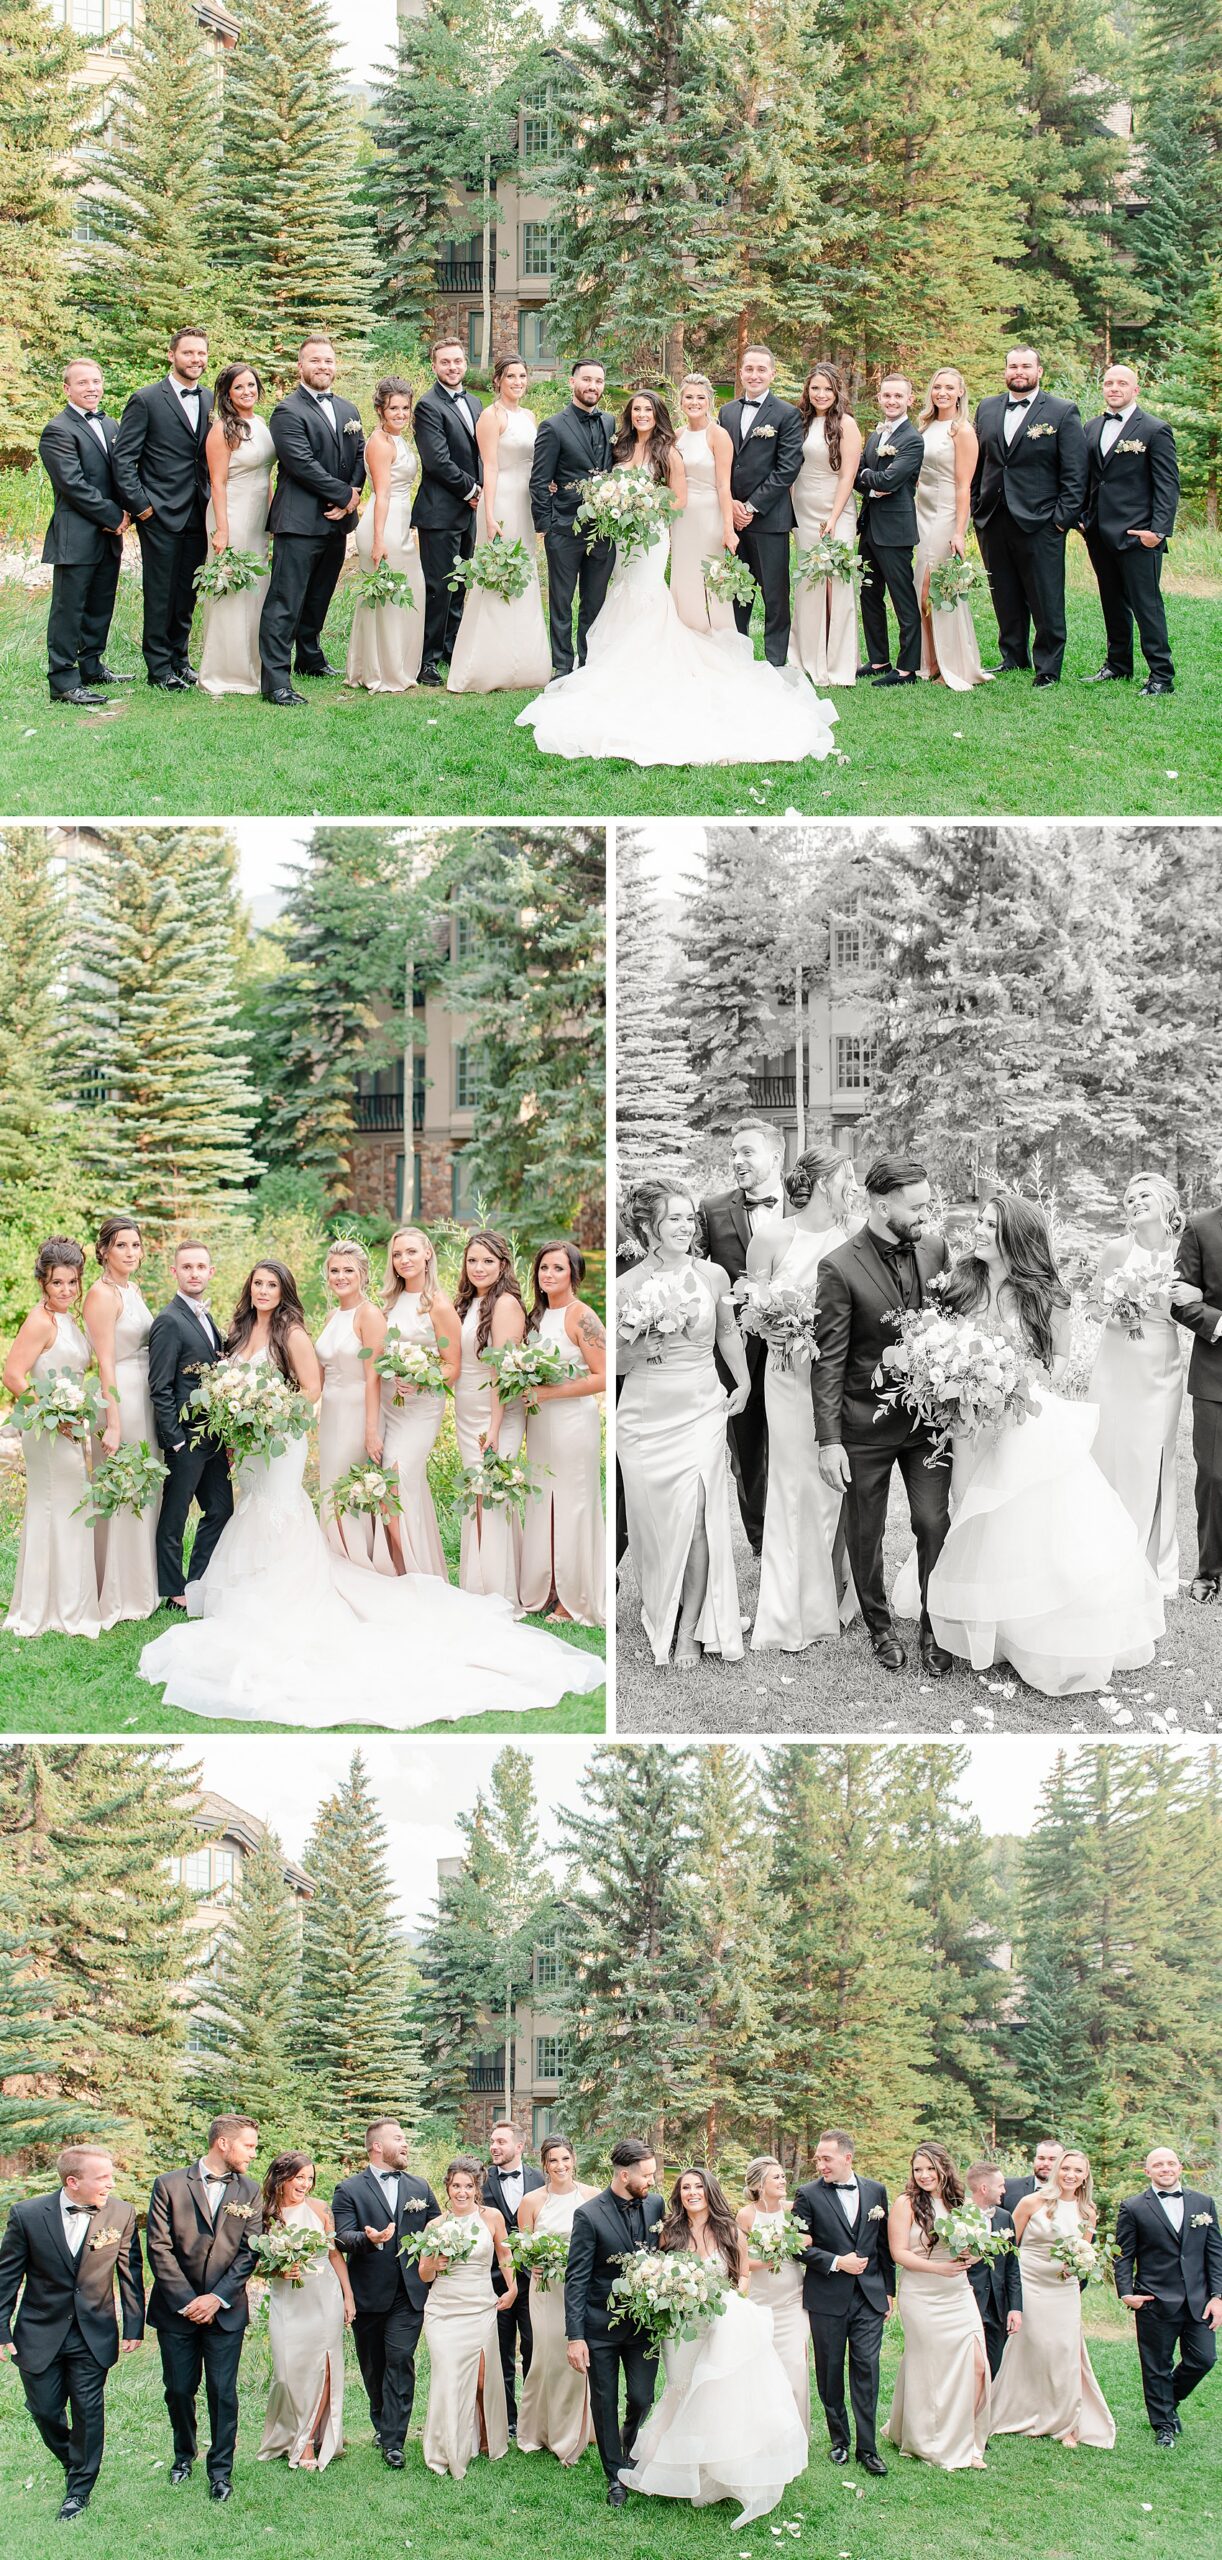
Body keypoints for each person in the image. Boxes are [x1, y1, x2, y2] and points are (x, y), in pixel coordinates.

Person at [136, 1257, 606, 1723]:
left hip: (283, 1434)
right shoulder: (236, 1333)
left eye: (271, 1285)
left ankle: (317, 1581)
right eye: (256, 1283)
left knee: (287, 1505)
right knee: (259, 1506)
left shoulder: (298, 1330)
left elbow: (313, 1386)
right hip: (253, 1441)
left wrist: (271, 1415)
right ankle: (256, 1581)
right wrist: (241, 1421)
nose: (263, 1291)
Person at [519, 383, 837, 765]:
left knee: (647, 590)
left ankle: (650, 658)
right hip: (621, 534)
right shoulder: (619, 446)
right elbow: (600, 478)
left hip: (651, 533)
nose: (641, 416)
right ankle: (607, 660)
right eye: (636, 410)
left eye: (648, 411)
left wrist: (646, 508)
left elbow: (679, 497)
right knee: (619, 588)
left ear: (658, 415)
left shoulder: (668, 450)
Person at [925, 1195, 1165, 1694]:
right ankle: (978, 1620)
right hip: (969, 1421)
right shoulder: (960, 1283)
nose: (980, 1231)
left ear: (1015, 1234)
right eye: (980, 1223)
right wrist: (958, 1377)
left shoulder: (1047, 1295)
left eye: (991, 1225)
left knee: (1025, 1519)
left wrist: (1009, 1379)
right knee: (969, 1509)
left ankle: (1024, 1628)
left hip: (1023, 1418)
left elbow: (1056, 1364)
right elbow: (938, 1344)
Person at [811, 1157, 952, 1676]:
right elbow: (829, 1359)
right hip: (863, 1425)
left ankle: (936, 1626)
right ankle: (880, 1626)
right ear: (881, 1204)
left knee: (933, 1521)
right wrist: (829, 1440)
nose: (926, 1214)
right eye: (916, 1206)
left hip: (928, 1423)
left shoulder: (935, 1248)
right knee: (865, 1532)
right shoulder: (839, 1267)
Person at [622, 2166, 808, 2524]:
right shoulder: (669, 2233)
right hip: (680, 2327)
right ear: (680, 2194)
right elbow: (657, 2274)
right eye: (686, 2187)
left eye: (698, 2186)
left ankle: (715, 2471)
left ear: (709, 2191)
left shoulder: (729, 2229)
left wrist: (732, 2299)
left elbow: (742, 2273)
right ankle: (671, 2469)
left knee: (715, 2392)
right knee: (680, 2388)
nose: (692, 2192)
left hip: (721, 2321)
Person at [617, 1178, 750, 1669]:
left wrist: (743, 1383)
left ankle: (691, 1629)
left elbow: (729, 1333)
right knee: (654, 1524)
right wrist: (633, 1351)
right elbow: (609, 1361)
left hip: (700, 1407)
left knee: (697, 1514)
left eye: (688, 1216)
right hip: (644, 1415)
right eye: (673, 1217)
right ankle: (662, 1606)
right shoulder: (625, 1286)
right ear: (649, 1226)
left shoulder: (713, 1275)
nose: (684, 1224)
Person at [748, 1148, 857, 1651]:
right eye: (845, 1177)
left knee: (833, 1486)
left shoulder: (854, 1237)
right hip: (788, 1376)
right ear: (817, 1182)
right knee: (793, 1484)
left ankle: (834, 1596)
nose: (852, 1186)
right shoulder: (771, 1236)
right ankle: (790, 1610)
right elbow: (750, 1307)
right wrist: (771, 1326)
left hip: (839, 1378)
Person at [0, 2144, 144, 2521]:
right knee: (44, 2410)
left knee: (87, 2409)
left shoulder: (122, 2213)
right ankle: (72, 2458)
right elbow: (7, 2276)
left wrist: (133, 2324)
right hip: (39, 2331)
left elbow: (130, 2273)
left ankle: (79, 2489)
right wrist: (1, 2329)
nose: (111, 2184)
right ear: (73, 2181)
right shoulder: (27, 2214)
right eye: (103, 2177)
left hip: (92, 2331)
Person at [144, 2113, 263, 2501]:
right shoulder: (169, 2184)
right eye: (248, 2145)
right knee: (178, 2389)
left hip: (225, 2309)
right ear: (223, 2143)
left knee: (222, 2390)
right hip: (176, 2309)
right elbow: (158, 2248)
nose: (253, 2153)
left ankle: (221, 2470)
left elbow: (250, 2252)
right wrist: (188, 2301)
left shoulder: (250, 2190)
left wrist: (216, 2298)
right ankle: (183, 2456)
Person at [1089, 1172, 1187, 1597]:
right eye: (1129, 1199)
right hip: (1115, 1365)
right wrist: (1116, 1313)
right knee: (1108, 1454)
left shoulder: (1183, 1252)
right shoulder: (1117, 1249)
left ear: (1166, 1203)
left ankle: (1155, 1565)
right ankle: (1106, 1552)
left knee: (1154, 1460)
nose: (1134, 1202)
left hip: (1160, 1369)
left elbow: (1195, 1306)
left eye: (1145, 1195)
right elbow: (1093, 1305)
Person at [696, 1117, 789, 1554]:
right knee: (746, 1452)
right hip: (737, 1353)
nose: (736, 1160)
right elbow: (695, 1275)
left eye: (746, 1152)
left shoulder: (805, 1207)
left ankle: (801, 1527)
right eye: (733, 1153)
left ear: (776, 1156)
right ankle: (760, 1537)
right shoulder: (713, 1209)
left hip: (797, 1347)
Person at [3, 1235, 101, 1640]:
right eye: (58, 1283)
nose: (66, 1290)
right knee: (54, 1507)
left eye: (73, 1282)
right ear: (43, 1282)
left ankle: (66, 1602)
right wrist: (51, 1412)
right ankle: (43, 1608)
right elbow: (12, 1375)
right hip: (47, 1430)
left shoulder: (68, 1319)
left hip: (69, 1426)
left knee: (70, 1506)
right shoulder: (40, 1320)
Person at [971, 346, 1087, 685]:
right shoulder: (988, 408)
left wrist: (1061, 520)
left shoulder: (1062, 411)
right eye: (1012, 366)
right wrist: (978, 504)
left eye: (1025, 366)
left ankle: (1048, 667)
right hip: (993, 517)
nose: (1018, 371)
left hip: (1042, 521)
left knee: (1045, 596)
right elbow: (982, 463)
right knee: (1004, 592)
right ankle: (1013, 655)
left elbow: (1076, 472)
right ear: (1005, 371)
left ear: (1039, 371)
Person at [259, 337, 365, 708]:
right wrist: (344, 496)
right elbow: (300, 463)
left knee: (319, 595)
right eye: (315, 360)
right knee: (285, 600)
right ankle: (275, 680)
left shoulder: (349, 408)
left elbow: (361, 455)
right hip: (299, 520)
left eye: (329, 360)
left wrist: (353, 491)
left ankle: (309, 657)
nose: (323, 366)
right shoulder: (287, 411)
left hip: (337, 521)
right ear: (300, 366)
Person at [331, 2119, 439, 2469]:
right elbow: (342, 2236)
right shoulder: (348, 2189)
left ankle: (394, 2440)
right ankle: (381, 2421)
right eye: (399, 2138)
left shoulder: (419, 2186)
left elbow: (438, 2227)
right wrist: (370, 2240)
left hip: (409, 2294)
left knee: (399, 2359)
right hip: (368, 2294)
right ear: (377, 2146)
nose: (405, 2144)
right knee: (374, 2366)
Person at [989, 2150, 1116, 2448]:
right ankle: (1019, 2410)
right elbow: (1010, 2247)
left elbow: (1084, 2252)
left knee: (1064, 2350)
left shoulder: (1088, 2212)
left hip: (1064, 2288)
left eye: (1078, 2170)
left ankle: (1065, 2421)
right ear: (1058, 2170)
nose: (1071, 2174)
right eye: (1066, 2168)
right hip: (1030, 2282)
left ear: (1086, 2175)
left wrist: (1079, 2264)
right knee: (1032, 2346)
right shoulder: (1032, 2203)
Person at [564, 2136, 664, 2506]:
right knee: (603, 2403)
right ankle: (616, 2476)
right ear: (624, 2175)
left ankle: (630, 2439)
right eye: (647, 2174)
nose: (653, 2180)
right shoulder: (588, 2215)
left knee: (642, 2396)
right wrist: (575, 2336)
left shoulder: (655, 2204)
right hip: (599, 2327)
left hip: (643, 2327)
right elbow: (576, 2279)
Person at [113, 324, 212, 688]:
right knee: (160, 593)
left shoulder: (209, 399)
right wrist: (141, 507)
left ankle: (180, 659)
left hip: (199, 511)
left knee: (187, 591)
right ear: (172, 355)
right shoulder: (146, 399)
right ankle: (158, 669)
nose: (196, 359)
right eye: (188, 352)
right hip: (158, 513)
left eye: (201, 353)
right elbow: (124, 459)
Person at [447, 354, 551, 692]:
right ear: (498, 381)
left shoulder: (530, 416)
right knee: (496, 575)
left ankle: (526, 664)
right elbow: (488, 468)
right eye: (511, 377)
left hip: (526, 501)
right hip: (502, 499)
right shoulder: (490, 417)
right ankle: (488, 665)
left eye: (522, 376)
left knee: (525, 571)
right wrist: (488, 515)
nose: (518, 382)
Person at [794, 2128, 894, 2475]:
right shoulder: (806, 2194)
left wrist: (889, 2292)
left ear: (847, 2158)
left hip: (868, 2298)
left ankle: (868, 2448)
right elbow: (799, 2245)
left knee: (867, 2368)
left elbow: (883, 2247)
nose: (820, 2163)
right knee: (830, 2371)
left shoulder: (876, 2191)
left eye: (826, 2158)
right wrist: (837, 2262)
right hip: (827, 2298)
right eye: (818, 2158)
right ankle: (840, 2441)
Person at [883, 2143, 990, 2469]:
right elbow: (898, 2252)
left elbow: (977, 2247)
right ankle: (927, 2439)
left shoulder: (962, 2203)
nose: (924, 2175)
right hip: (922, 2293)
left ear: (944, 2168)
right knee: (929, 2368)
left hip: (958, 2292)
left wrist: (973, 2254)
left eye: (930, 2168)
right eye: (918, 2169)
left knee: (976, 2365)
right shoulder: (905, 2204)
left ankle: (966, 2438)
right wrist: (937, 2268)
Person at [518, 1240, 607, 1626]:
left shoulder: (581, 1315)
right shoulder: (534, 1319)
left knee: (572, 1502)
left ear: (574, 1273)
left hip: (572, 1422)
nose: (548, 1275)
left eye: (557, 1268)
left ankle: (575, 1598)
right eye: (543, 1268)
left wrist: (549, 1392)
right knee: (544, 1502)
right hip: (540, 1423)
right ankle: (548, 1586)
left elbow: (602, 1376)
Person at [1080, 363, 1179, 694]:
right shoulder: (1092, 427)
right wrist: (1083, 518)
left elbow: (1167, 485)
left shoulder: (1154, 429)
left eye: (1122, 383)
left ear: (1136, 389)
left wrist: (1158, 531)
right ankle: (1118, 665)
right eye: (1108, 382)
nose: (1114, 388)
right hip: (1099, 532)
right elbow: (1088, 478)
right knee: (1111, 601)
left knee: (1146, 604)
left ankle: (1161, 675)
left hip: (1140, 535)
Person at [1114, 2144, 1222, 2446]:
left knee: (1204, 2359)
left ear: (1180, 2168)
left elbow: (1215, 2253)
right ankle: (1163, 2426)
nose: (1165, 2168)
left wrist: (1218, 2296)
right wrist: (1126, 2293)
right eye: (1158, 2164)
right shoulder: (1133, 2206)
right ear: (1148, 2171)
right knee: (1156, 2365)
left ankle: (1166, 2401)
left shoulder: (1203, 2202)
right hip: (1154, 2299)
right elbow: (1123, 2255)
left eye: (1170, 2163)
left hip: (1199, 2300)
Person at [146, 1240, 233, 1611]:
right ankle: (174, 1589)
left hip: (213, 1436)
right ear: (175, 1272)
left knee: (221, 1510)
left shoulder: (205, 1317)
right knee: (175, 1516)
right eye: (187, 1267)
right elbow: (160, 1386)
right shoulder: (168, 1320)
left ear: (211, 1272)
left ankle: (198, 1580)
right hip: (186, 1439)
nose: (194, 1273)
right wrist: (175, 1441)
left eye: (201, 1267)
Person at [38, 357, 131, 705]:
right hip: (77, 533)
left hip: (110, 534)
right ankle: (63, 681)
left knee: (99, 603)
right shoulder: (57, 430)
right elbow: (73, 484)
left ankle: (91, 666)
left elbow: (121, 472)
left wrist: (130, 510)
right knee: (69, 608)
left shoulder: (111, 425)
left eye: (96, 381)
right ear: (67, 389)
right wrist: (113, 515)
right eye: (83, 383)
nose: (92, 388)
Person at [82, 1213, 159, 1625]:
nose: (131, 1252)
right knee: (124, 1488)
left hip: (143, 1394)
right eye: (121, 1245)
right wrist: (112, 1421)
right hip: (120, 1398)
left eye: (135, 1245)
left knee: (144, 1490)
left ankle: (141, 1584)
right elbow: (105, 1363)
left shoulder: (133, 1288)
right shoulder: (101, 1294)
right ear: (104, 1250)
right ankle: (119, 1592)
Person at [419, 2156, 515, 2479]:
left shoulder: (492, 2218)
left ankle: (486, 2435)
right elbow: (423, 2273)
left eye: (468, 2186)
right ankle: (448, 2446)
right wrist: (436, 2264)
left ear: (477, 2188)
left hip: (480, 2306)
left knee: (481, 2379)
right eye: (456, 2186)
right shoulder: (435, 2226)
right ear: (447, 2187)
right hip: (443, 2310)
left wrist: (513, 2289)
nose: (461, 2192)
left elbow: (505, 2255)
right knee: (447, 2375)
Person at [258, 2152, 354, 2473]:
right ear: (281, 2178)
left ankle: (310, 2439)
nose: (305, 2184)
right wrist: (277, 2271)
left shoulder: (319, 2208)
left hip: (324, 2293)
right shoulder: (266, 2215)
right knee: (286, 2372)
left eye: (309, 2178)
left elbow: (335, 2254)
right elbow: (256, 2263)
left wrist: (348, 2296)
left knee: (323, 2366)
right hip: (287, 2299)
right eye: (299, 2177)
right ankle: (293, 2429)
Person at [528, 357, 617, 678]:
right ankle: (563, 665)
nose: (593, 386)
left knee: (594, 602)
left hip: (603, 529)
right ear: (572, 382)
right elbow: (539, 481)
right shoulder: (553, 426)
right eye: (587, 380)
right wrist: (546, 526)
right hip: (564, 528)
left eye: (599, 381)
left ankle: (589, 663)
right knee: (562, 602)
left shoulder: (609, 423)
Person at [379, 1225, 459, 1578]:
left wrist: (419, 1376)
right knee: (399, 1484)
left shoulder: (438, 1305)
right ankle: (407, 1566)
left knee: (395, 1478)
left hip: (421, 1407)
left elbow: (453, 1366)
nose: (404, 1259)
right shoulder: (389, 1304)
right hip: (389, 1405)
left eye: (411, 1252)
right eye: (397, 1254)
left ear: (427, 1253)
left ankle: (410, 1570)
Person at [453, 1229, 528, 1606]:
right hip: (466, 1412)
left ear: (502, 1265)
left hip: (495, 1413)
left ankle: (498, 1591)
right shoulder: (467, 1304)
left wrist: (495, 1428)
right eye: (472, 1260)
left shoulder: (505, 1305)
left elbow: (504, 1372)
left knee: (493, 1496)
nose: (478, 1268)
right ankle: (478, 1583)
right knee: (477, 1496)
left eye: (487, 1261)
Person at [719, 344, 804, 665]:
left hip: (769, 519)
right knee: (737, 590)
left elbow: (788, 468)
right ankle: (737, 655)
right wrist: (731, 504)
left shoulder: (787, 414)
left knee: (774, 594)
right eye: (749, 369)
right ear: (741, 372)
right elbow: (722, 463)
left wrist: (751, 506)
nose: (754, 375)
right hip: (732, 517)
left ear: (772, 374)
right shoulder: (726, 412)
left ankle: (775, 660)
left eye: (761, 370)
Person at [515, 2134, 597, 2466]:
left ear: (573, 2160)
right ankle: (541, 2429)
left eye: (565, 2159)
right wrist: (530, 2258)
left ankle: (578, 2429)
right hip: (546, 2289)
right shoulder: (532, 2201)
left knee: (579, 2356)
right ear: (544, 2165)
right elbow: (520, 2247)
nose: (560, 2166)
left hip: (583, 2289)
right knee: (548, 2357)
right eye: (553, 2160)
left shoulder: (592, 2195)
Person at [315, 1239, 394, 1574]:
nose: (341, 1276)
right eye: (334, 1270)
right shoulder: (334, 1314)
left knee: (344, 1490)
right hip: (331, 1412)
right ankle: (335, 1561)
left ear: (363, 1274)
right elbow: (319, 1372)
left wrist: (372, 1430)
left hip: (359, 1411)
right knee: (329, 1486)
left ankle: (356, 1567)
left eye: (348, 1270)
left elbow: (374, 1376)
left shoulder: (370, 1314)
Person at [199, 360, 274, 695]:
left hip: (258, 514)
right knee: (232, 590)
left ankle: (253, 666)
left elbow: (267, 476)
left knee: (256, 587)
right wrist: (223, 530)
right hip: (231, 512)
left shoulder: (260, 423)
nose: (247, 391)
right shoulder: (223, 429)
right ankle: (225, 672)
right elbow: (218, 483)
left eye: (251, 385)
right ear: (227, 394)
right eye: (239, 387)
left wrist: (273, 518)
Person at [346, 375, 425, 693]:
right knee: (384, 600)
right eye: (394, 408)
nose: (401, 414)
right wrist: (378, 539)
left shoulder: (398, 439)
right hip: (385, 526)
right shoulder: (379, 443)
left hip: (399, 526)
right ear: (380, 409)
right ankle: (382, 672)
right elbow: (381, 495)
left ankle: (395, 666)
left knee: (403, 594)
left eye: (405, 408)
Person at [411, 338, 484, 683]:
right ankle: (427, 658)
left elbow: (481, 453)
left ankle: (451, 646)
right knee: (437, 586)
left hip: (470, 512)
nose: (452, 367)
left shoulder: (474, 401)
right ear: (434, 366)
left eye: (457, 361)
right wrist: (471, 489)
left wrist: (482, 491)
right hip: (440, 511)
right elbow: (437, 461)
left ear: (464, 363)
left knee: (460, 583)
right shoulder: (428, 406)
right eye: (445, 362)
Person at [914, 366, 990, 689]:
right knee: (920, 587)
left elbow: (964, 486)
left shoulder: (963, 431)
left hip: (945, 514)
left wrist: (959, 531)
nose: (942, 392)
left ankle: (953, 665)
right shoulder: (926, 425)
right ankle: (929, 662)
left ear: (960, 392)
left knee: (938, 586)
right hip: (921, 510)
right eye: (936, 387)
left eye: (949, 387)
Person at [790, 360, 862, 686]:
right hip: (803, 512)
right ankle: (805, 655)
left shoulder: (847, 424)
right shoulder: (800, 422)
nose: (821, 394)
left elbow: (848, 474)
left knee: (837, 583)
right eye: (815, 388)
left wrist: (834, 517)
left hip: (835, 511)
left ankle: (837, 661)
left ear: (837, 391)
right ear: (808, 390)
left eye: (827, 389)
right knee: (809, 583)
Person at [1169, 1189, 1222, 1603]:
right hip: (1216, 1377)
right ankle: (1210, 1570)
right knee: (1214, 1476)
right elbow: (1180, 1301)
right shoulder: (1201, 1228)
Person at [855, 373, 924, 684]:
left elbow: (890, 480)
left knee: (902, 598)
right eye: (887, 396)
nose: (892, 401)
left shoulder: (912, 439)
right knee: (869, 594)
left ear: (910, 400)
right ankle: (879, 659)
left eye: (898, 396)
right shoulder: (875, 436)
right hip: (870, 527)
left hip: (895, 531)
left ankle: (907, 668)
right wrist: (871, 481)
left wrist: (870, 478)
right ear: (879, 398)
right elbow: (857, 475)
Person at [737, 2156, 811, 2431]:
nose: (783, 2181)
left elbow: (809, 2238)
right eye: (776, 2177)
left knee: (794, 2366)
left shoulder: (793, 2210)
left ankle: (796, 2431)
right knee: (764, 2370)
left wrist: (793, 2242)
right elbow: (742, 2262)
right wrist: (773, 2255)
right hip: (760, 2302)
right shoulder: (746, 2215)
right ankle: (767, 2431)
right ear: (759, 2185)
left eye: (783, 2176)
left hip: (793, 2300)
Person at [483, 2121, 544, 2434]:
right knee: (501, 2351)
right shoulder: (479, 2180)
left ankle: (533, 2416)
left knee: (534, 2347)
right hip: (495, 2281)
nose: (494, 2146)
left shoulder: (541, 2178)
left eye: (501, 2142)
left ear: (519, 2146)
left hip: (535, 2281)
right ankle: (508, 2419)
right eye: (492, 2141)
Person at [668, 372, 738, 633]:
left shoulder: (718, 435)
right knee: (684, 575)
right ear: (681, 401)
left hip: (710, 515)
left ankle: (718, 635)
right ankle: (687, 634)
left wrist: (728, 528)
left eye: (700, 397)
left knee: (711, 575)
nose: (694, 402)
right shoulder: (676, 435)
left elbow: (723, 485)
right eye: (688, 397)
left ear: (709, 401)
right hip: (682, 517)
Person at [963, 2164, 1023, 2380]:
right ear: (984, 2188)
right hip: (967, 2300)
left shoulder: (1005, 2217)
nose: (1004, 2190)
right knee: (968, 2367)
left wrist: (1015, 2308)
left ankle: (988, 2412)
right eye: (1000, 2186)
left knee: (994, 2367)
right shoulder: (958, 2217)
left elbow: (1012, 2266)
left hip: (997, 2306)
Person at [1002, 2141, 1065, 2215]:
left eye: (1052, 2159)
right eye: (1041, 2158)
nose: (1045, 2164)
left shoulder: (1070, 2193)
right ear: (1034, 2159)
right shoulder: (1008, 2187)